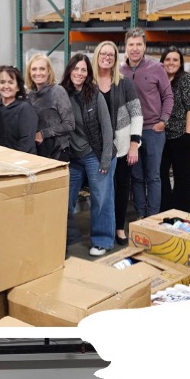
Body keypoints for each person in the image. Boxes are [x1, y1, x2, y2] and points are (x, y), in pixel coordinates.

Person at [61, 53, 117, 256]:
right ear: (69, 70)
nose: (79, 73)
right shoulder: (61, 94)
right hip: (73, 157)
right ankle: (63, 239)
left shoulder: (94, 94)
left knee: (101, 197)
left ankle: (102, 241)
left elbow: (107, 128)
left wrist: (105, 158)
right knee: (64, 199)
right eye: (76, 68)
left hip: (96, 153)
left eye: (83, 69)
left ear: (88, 73)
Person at [92, 41, 143, 245]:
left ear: (115, 59)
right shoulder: (90, 83)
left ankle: (119, 228)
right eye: (103, 53)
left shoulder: (124, 83)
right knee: (102, 191)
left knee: (122, 187)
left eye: (111, 55)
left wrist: (134, 145)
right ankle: (104, 227)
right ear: (97, 56)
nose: (107, 57)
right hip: (97, 148)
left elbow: (137, 114)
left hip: (122, 146)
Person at [120, 28, 174, 218]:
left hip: (152, 130)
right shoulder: (120, 71)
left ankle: (152, 217)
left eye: (139, 45)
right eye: (131, 45)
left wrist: (163, 121)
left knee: (153, 177)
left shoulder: (156, 68)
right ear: (125, 47)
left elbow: (168, 96)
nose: (135, 49)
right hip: (129, 133)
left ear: (145, 47)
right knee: (136, 176)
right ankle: (141, 215)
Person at [159, 46, 190, 212]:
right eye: (168, 59)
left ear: (180, 63)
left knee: (182, 179)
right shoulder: (161, 80)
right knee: (160, 173)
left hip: (184, 134)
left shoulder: (186, 80)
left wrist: (188, 137)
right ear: (162, 62)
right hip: (165, 135)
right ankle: (166, 210)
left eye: (175, 60)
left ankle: (181, 215)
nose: (171, 63)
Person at [25, 53, 74, 160]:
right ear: (29, 72)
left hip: (58, 152)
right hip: (38, 152)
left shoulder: (57, 91)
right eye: (34, 69)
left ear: (49, 71)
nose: (38, 73)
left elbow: (70, 124)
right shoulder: (30, 95)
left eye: (42, 69)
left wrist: (43, 134)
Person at [0, 65, 38, 154]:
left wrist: (9, 159)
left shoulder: (25, 108)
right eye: (2, 82)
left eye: (11, 82)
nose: (6, 86)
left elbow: (26, 143)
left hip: (22, 161)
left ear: (18, 87)